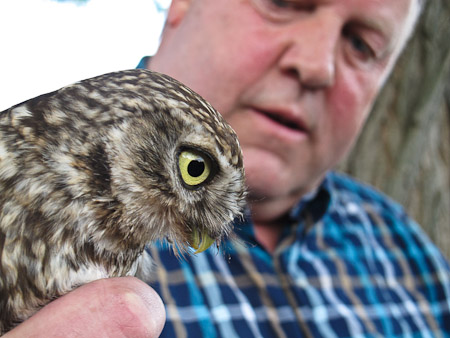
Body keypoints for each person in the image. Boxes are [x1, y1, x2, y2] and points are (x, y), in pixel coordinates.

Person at [8, 0, 450, 337]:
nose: (317, 65)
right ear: (181, 3)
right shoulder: (18, 159)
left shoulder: (412, 254)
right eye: (282, 2)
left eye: (362, 44)